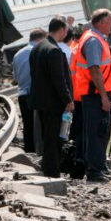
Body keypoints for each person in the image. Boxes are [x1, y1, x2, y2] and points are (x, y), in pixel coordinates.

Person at [73, 8, 111, 182]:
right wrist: (104, 97)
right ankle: (94, 170)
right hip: (94, 94)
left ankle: (99, 166)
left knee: (101, 130)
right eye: (110, 22)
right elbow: (94, 69)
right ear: (100, 23)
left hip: (96, 92)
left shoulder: (96, 38)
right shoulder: (93, 40)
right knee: (95, 131)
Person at [30, 17, 74, 177]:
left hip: (40, 101)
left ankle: (47, 167)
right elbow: (59, 80)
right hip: (53, 103)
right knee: (54, 138)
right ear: (61, 30)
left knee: (46, 136)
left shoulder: (37, 47)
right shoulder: (54, 50)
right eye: (66, 30)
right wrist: (68, 99)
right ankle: (52, 170)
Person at [13, 28, 47, 153]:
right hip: (37, 95)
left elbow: (16, 78)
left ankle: (29, 152)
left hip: (22, 94)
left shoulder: (17, 54)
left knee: (28, 126)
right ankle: (41, 152)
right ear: (42, 38)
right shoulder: (41, 51)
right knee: (41, 126)